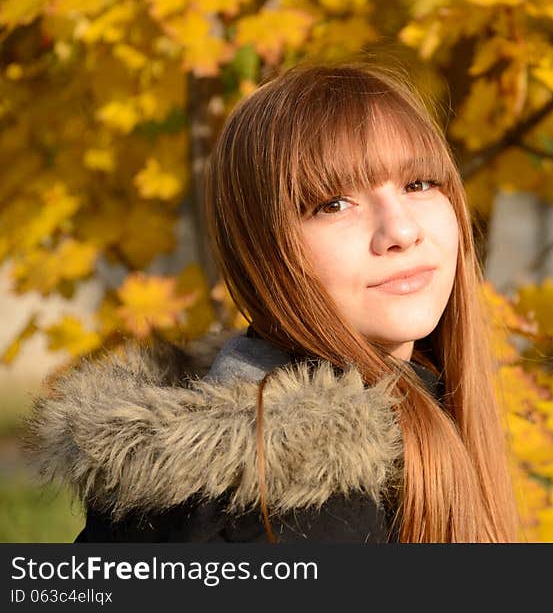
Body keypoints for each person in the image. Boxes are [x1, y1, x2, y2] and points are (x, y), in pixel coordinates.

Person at [24, 60, 521, 543]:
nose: (401, 231)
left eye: (419, 184)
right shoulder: (288, 514)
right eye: (332, 204)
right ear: (262, 252)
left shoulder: (422, 411)